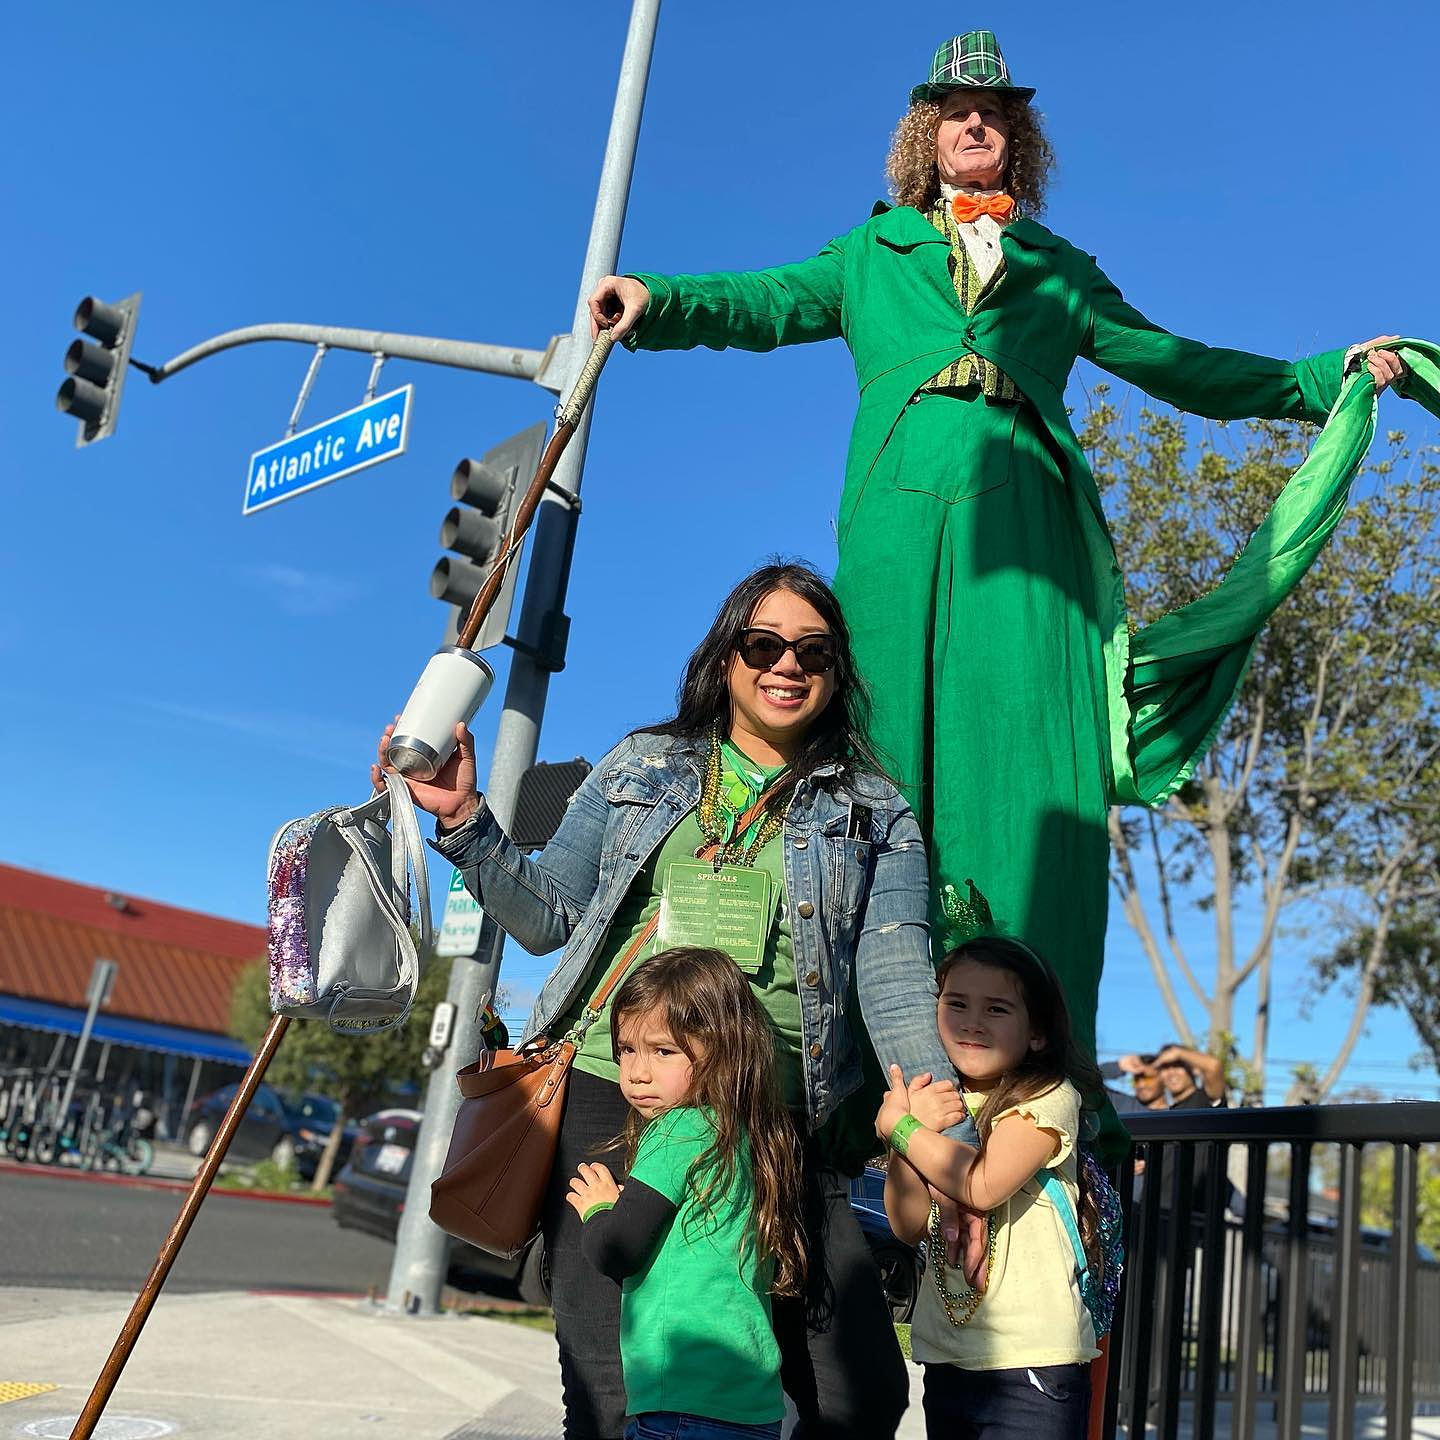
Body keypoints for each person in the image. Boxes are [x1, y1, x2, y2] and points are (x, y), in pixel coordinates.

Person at [584, 29, 1407, 1141]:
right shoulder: (871, 253)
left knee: (1029, 765)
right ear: (925, 134)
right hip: (898, 518)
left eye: (996, 112)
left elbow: (1176, 363)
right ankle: (856, 1089)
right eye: (956, 111)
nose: (976, 123)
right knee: (877, 755)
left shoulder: (1060, 270)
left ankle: (1033, 1079)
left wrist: (1319, 378)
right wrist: (658, 298)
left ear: (1019, 137)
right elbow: (767, 299)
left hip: (1029, 527)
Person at [378, 560, 967, 1440]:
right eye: (762, 644)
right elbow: (548, 918)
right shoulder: (642, 765)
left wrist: (951, 1148)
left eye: (813, 651)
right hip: (611, 1092)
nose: (787, 664)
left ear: (836, 672)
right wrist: (463, 821)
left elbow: (895, 981)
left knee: (856, 1394)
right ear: (725, 658)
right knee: (610, 1387)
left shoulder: (874, 811)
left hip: (772, 1115)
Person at [567, 946, 803, 1440]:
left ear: (721, 1049)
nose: (637, 1072)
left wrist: (599, 1209)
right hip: (753, 1408)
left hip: (681, 1401)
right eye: (626, 1050)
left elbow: (617, 1250)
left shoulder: (678, 1130)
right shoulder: (746, 1134)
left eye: (663, 1051)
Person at [877, 935, 1105, 1440]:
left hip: (1033, 1361)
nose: (972, 1022)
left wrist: (901, 1128)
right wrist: (906, 1138)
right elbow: (907, 1224)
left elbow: (981, 1184)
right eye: (956, 1003)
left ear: (1037, 1033)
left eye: (997, 1009)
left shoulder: (1048, 1096)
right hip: (948, 1357)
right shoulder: (935, 1104)